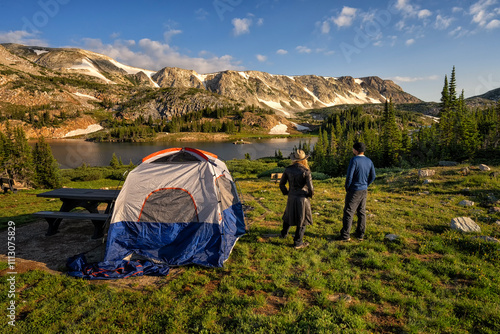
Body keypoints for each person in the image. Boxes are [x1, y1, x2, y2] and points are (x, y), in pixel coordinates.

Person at [338, 142, 376, 241]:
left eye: (353, 149)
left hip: (354, 189)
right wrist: (366, 184)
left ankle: (345, 235)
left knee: (349, 212)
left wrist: (347, 187)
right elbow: (373, 176)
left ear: (356, 150)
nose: (352, 150)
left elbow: (349, 176)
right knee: (361, 212)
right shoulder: (369, 160)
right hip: (364, 190)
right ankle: (360, 234)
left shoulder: (354, 160)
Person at [279, 149, 314, 249]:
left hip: (292, 196)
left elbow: (281, 184)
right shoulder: (306, 171)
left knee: (288, 215)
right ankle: (298, 243)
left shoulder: (288, 169)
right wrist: (309, 195)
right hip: (302, 198)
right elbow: (311, 188)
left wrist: (287, 193)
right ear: (304, 159)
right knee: (302, 220)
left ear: (294, 159)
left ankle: (283, 234)